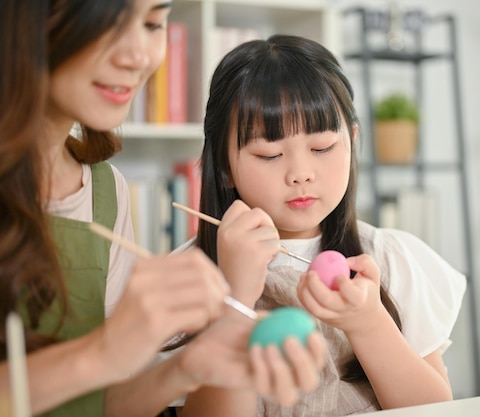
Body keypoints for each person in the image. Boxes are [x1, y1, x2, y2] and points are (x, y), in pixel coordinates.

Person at [0, 2, 326, 416]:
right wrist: (104, 352)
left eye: (153, 23)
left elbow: (104, 406)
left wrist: (185, 366)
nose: (138, 56)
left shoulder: (105, 190)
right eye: (109, 23)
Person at [189, 34, 467, 416]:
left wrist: (368, 323)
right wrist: (236, 299)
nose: (301, 174)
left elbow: (435, 409)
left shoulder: (389, 258)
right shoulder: (191, 276)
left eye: (322, 148)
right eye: (269, 154)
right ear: (223, 166)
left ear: (351, 141)